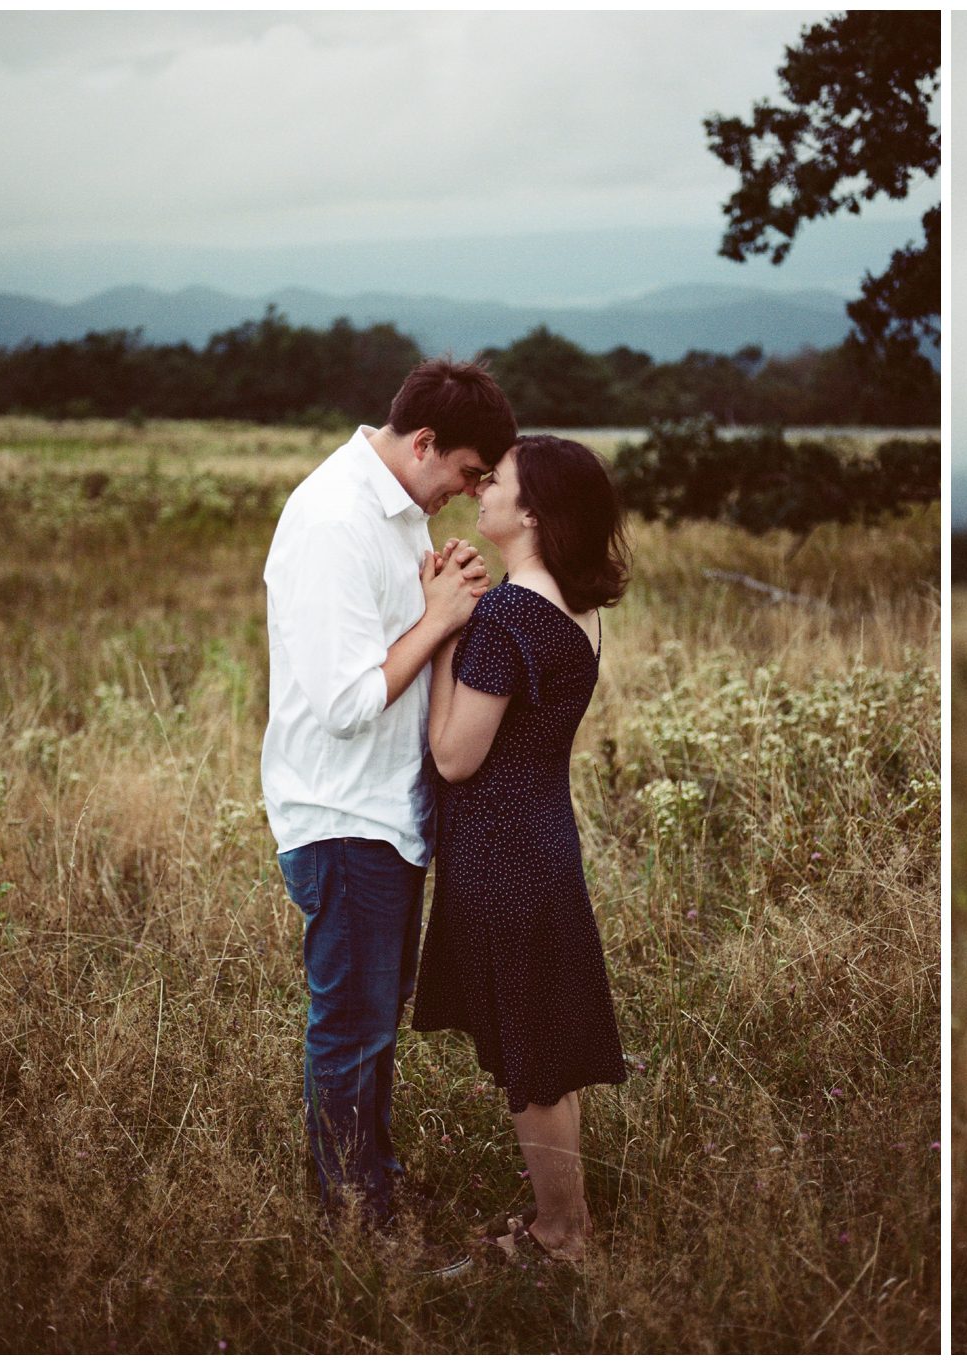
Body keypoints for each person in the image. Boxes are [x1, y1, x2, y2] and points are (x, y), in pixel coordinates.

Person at [263, 359, 517, 1225]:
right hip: (343, 815)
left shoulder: (400, 514)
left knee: (375, 1021)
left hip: (386, 813)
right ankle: (353, 1214)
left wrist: (441, 589)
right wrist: (439, 617)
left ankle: (372, 1177)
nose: (470, 492)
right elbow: (344, 703)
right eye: (469, 473)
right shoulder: (334, 518)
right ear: (424, 443)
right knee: (352, 1025)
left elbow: (392, 642)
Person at [413, 433, 633, 1264]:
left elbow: (454, 756)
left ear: (533, 511)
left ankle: (562, 1234)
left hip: (502, 850)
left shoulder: (510, 614)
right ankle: (562, 1219)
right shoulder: (576, 609)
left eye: (496, 480)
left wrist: (444, 633)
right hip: (544, 838)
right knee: (544, 1042)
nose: (482, 489)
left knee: (530, 1053)